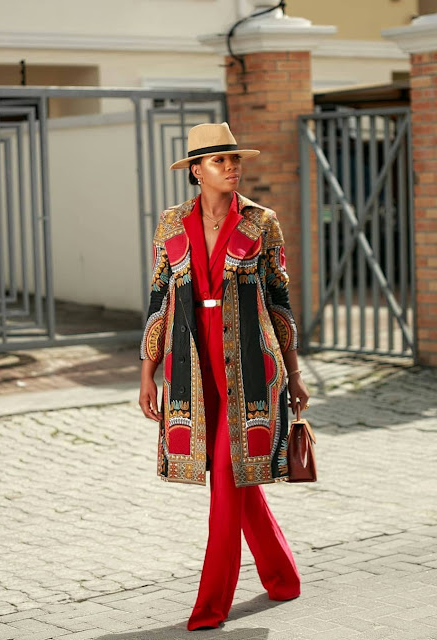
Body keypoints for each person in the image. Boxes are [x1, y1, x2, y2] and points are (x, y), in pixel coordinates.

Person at [139, 122, 310, 631]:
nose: (231, 167)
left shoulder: (261, 222)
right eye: (219, 160)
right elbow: (158, 298)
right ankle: (282, 577)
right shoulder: (171, 224)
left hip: (250, 363)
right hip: (190, 363)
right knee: (233, 476)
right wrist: (147, 374)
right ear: (196, 170)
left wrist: (294, 372)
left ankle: (211, 604)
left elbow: (279, 300)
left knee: (228, 478)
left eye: (234, 159)